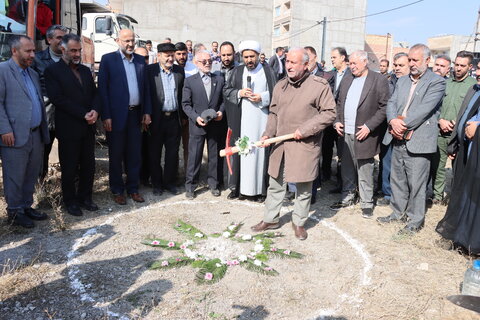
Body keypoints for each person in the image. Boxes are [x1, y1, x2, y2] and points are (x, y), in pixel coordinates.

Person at [250, 48, 336, 240]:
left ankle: (299, 222)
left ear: (306, 65)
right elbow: (273, 113)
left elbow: (330, 112)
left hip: (304, 144)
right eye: (287, 61)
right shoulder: (280, 86)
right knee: (275, 183)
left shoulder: (319, 86)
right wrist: (267, 134)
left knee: (303, 187)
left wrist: (305, 130)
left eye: (293, 62)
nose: (288, 65)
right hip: (280, 143)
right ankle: (271, 219)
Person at [377, 44, 446, 235]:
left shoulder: (437, 82)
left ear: (427, 60)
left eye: (416, 60)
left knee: (417, 183)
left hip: (418, 139)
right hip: (397, 136)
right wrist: (392, 120)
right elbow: (391, 102)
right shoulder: (403, 80)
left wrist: (402, 125)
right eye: (410, 60)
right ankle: (397, 212)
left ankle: (415, 220)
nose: (412, 63)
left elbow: (424, 109)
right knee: (397, 178)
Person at [44, 33, 99, 216]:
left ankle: (85, 197)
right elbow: (57, 99)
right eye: (73, 50)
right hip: (69, 128)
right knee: (69, 167)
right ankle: (70, 201)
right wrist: (83, 114)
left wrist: (95, 111)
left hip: (88, 126)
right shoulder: (52, 71)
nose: (77, 54)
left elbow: (94, 94)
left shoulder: (84, 71)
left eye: (79, 50)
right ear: (63, 50)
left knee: (88, 165)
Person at [330, 50, 389, 218]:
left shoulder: (378, 80)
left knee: (365, 168)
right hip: (345, 131)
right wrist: (337, 120)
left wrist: (369, 126)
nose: (352, 66)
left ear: (365, 62)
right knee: (347, 166)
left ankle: (366, 202)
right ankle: (347, 197)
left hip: (364, 133)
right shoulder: (347, 78)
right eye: (350, 63)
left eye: (355, 63)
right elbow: (339, 102)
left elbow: (384, 107)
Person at [0, 35, 49, 228]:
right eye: (28, 51)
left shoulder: (33, 73)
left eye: (33, 51)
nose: (32, 55)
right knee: (15, 175)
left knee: (30, 173)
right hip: (13, 135)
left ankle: (26, 206)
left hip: (35, 134)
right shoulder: (3, 71)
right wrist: (4, 129)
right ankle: (14, 212)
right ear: (14, 51)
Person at [98, 29, 152, 205]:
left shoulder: (139, 60)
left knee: (134, 154)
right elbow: (103, 91)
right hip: (115, 116)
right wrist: (106, 115)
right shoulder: (108, 60)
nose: (130, 44)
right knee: (116, 154)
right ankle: (117, 189)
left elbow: (146, 89)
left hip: (135, 114)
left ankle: (133, 188)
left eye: (132, 41)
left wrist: (146, 111)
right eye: (126, 41)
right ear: (117, 40)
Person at [223, 40, 277, 202]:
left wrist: (263, 97)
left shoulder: (268, 71)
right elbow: (227, 91)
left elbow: (277, 94)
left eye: (252, 56)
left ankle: (260, 191)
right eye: (246, 57)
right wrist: (240, 93)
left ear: (259, 55)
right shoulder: (237, 71)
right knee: (243, 152)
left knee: (260, 153)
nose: (249, 60)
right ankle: (240, 189)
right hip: (242, 121)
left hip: (262, 120)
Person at [436, 81, 480, 254]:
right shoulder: (474, 89)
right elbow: (464, 115)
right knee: (464, 196)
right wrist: (456, 143)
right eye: (478, 68)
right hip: (466, 152)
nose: (477, 73)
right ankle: (462, 237)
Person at [431, 51, 476, 205]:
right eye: (456, 64)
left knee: (459, 167)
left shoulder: (473, 86)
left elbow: (473, 110)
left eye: (462, 66)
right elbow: (435, 106)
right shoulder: (445, 83)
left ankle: (455, 197)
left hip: (461, 135)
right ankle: (437, 195)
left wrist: (458, 123)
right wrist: (440, 120)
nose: (458, 68)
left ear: (470, 67)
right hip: (441, 131)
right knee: (438, 165)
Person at [182, 50, 225, 199]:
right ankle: (190, 186)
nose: (207, 63)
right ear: (196, 63)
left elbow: (223, 101)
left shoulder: (219, 79)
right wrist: (195, 117)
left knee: (214, 155)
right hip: (198, 125)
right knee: (194, 156)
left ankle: (214, 184)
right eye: (203, 61)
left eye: (209, 61)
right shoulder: (190, 81)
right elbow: (186, 104)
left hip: (215, 125)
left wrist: (220, 112)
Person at [146, 43, 185, 195]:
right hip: (156, 119)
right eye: (167, 55)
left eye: (172, 55)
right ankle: (157, 184)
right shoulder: (150, 71)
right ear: (159, 56)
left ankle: (170, 183)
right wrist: (147, 113)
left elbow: (182, 95)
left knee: (172, 153)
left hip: (174, 118)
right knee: (154, 153)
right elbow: (146, 94)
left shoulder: (179, 71)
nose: (170, 58)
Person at [32, 24, 67, 180]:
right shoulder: (37, 60)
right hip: (45, 115)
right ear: (49, 39)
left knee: (69, 153)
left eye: (64, 38)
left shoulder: (71, 59)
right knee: (42, 153)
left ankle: (70, 187)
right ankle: (40, 186)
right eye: (59, 37)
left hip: (67, 114)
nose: (62, 41)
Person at [377, 52, 410, 206]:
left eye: (401, 65)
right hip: (388, 128)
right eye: (395, 65)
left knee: (403, 166)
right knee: (387, 161)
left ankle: (402, 194)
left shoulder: (414, 83)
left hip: (408, 130)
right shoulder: (387, 81)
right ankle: (387, 192)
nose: (397, 68)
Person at [326, 47, 350, 192]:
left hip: (343, 119)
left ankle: (342, 184)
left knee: (342, 153)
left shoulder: (351, 75)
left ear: (343, 58)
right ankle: (327, 176)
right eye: (331, 58)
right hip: (331, 119)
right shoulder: (332, 74)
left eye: (334, 57)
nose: (332, 60)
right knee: (328, 149)